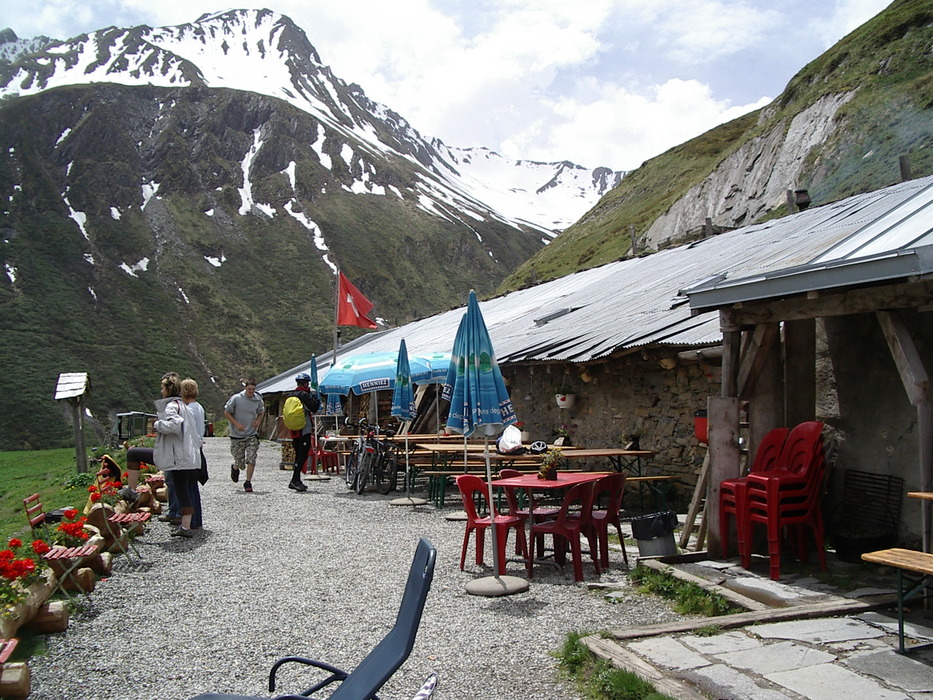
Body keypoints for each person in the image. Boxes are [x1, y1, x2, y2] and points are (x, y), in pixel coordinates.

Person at [224, 378, 264, 493]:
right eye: (249, 389)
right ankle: (235, 467)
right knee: (240, 462)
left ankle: (248, 482)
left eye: (253, 389)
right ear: (245, 388)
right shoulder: (236, 399)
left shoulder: (258, 400)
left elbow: (261, 411)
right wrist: (236, 424)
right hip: (237, 435)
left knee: (251, 458)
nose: (251, 391)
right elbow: (226, 412)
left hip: (251, 434)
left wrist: (258, 421)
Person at [282, 373, 321, 492]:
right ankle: (294, 480)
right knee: (303, 455)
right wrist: (316, 397)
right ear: (305, 383)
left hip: (294, 429)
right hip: (304, 428)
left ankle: (296, 480)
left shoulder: (291, 394)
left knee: (298, 454)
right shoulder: (304, 395)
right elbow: (314, 407)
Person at [181, 378, 208, 529]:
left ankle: (191, 521)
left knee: (188, 488)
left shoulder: (189, 410)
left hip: (190, 450)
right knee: (193, 487)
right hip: (198, 449)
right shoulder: (199, 407)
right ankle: (196, 519)